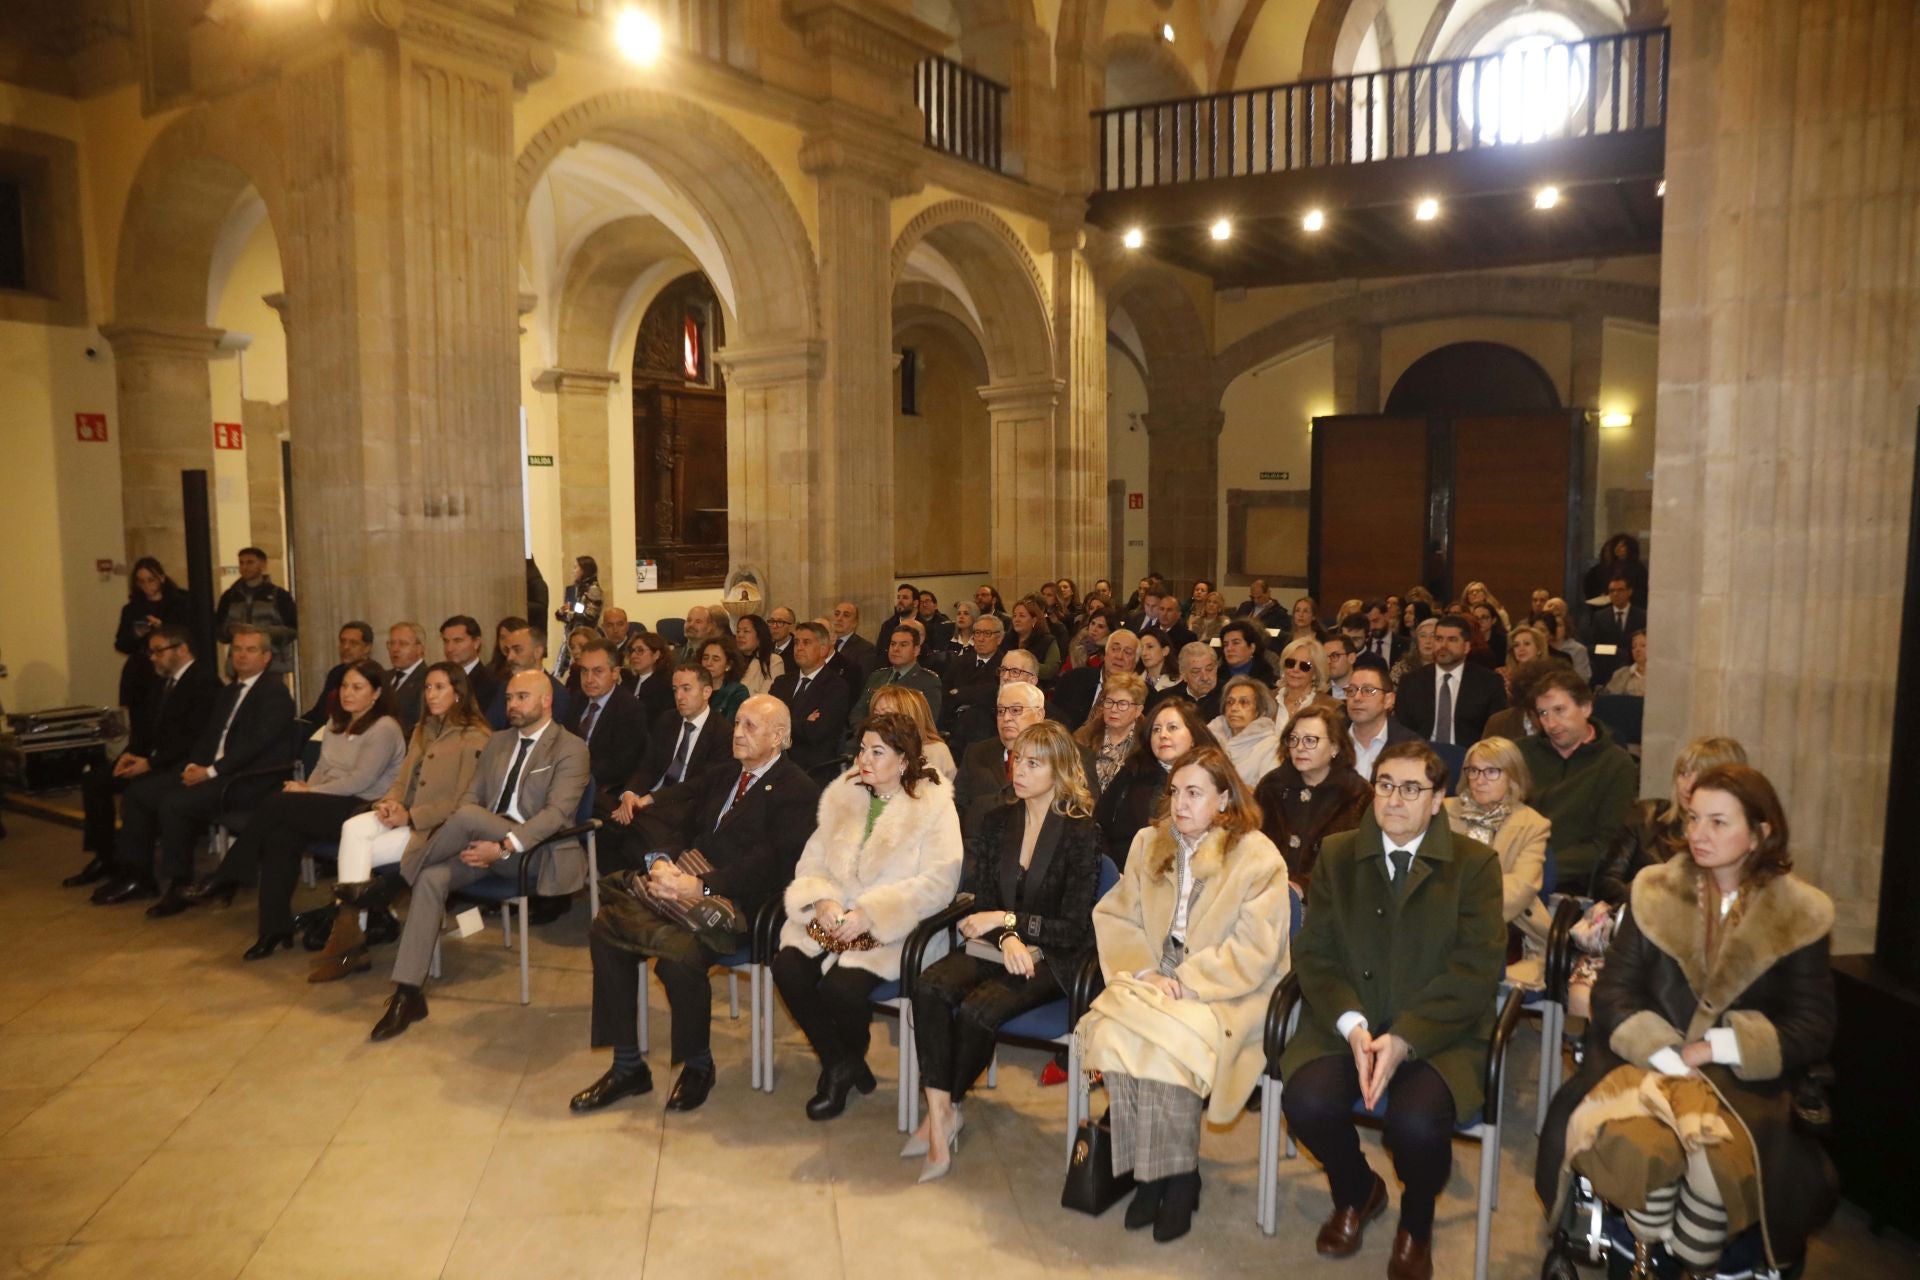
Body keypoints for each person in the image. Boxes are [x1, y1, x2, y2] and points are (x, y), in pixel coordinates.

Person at [1536, 764, 1836, 1275]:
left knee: (1714, 1164)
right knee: (1640, 1147)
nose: (1698, 834)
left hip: (1739, 1081)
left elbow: (1811, 1024)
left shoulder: (1800, 912)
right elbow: (1615, 993)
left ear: (1761, 832)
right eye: (1694, 818)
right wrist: (1664, 1051)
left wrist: (1715, 1048)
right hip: (1645, 1063)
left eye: (1718, 822)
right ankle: (1644, 1257)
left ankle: (1689, 1262)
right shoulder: (1655, 890)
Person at [1280, 741, 1506, 1280]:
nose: (1395, 800)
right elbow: (1315, 952)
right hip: (1349, 1022)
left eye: (1411, 789)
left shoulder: (1475, 866)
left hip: (1438, 1031)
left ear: (1437, 801)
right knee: (1306, 1101)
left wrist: (1405, 1036)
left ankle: (1417, 1223)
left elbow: (1476, 970)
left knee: (1416, 1124)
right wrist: (1353, 1026)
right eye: (1385, 785)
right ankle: (1357, 1191)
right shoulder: (1338, 854)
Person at [1077, 746, 1290, 1243]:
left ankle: (1175, 1177)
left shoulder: (1257, 856)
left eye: (1195, 793)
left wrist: (1189, 981)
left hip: (1227, 989)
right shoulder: (1149, 843)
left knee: (1172, 1046)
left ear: (1224, 799)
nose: (1180, 803)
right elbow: (1115, 916)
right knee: (1115, 1035)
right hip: (1154, 977)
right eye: (1175, 791)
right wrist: (1146, 972)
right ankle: (1153, 1172)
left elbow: (1256, 951)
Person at [572, 695, 821, 1113]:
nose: (737, 734)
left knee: (679, 958)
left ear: (778, 737)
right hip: (688, 883)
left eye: (749, 727)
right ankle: (627, 1065)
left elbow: (770, 865)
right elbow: (679, 821)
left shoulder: (798, 789)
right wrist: (665, 864)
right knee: (607, 927)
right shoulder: (725, 774)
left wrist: (700, 887)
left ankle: (698, 1065)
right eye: (737, 723)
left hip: (741, 903)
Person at [906, 721, 1104, 1180]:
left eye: (1034, 763)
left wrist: (1011, 924)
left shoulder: (1081, 833)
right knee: (930, 986)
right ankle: (941, 1116)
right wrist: (1008, 934)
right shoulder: (998, 820)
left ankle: (945, 1108)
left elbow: (1074, 927)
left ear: (1059, 770)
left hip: (1056, 957)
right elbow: (985, 898)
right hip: (1000, 945)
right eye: (1018, 758)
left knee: (979, 1010)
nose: (1019, 769)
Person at [369, 670, 593, 1041]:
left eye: (521, 697)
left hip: (534, 852)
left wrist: (503, 846)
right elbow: (471, 795)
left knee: (467, 817)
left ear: (545, 700)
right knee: (431, 878)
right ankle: (408, 993)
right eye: (508, 698)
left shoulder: (570, 748)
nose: (512, 705)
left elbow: (555, 816)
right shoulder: (499, 741)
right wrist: (483, 842)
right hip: (483, 844)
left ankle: (394, 883)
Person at [773, 713, 963, 1121]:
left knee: (840, 989)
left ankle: (841, 1066)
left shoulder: (933, 805)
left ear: (904, 761)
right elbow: (813, 858)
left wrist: (871, 912)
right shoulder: (847, 793)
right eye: (862, 749)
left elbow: (939, 882)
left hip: (897, 929)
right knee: (788, 966)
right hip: (837, 917)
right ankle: (841, 1061)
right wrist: (822, 901)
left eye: (877, 752)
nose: (865, 760)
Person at [189, 658, 407, 957]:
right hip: (328, 802)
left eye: (357, 687)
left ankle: (228, 874)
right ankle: (273, 929)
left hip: (365, 809)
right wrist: (308, 790)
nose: (347, 693)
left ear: (377, 693)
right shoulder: (335, 721)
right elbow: (323, 766)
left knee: (277, 804)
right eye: (344, 685)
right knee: (280, 836)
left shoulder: (384, 727)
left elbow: (360, 780)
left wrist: (309, 791)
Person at [307, 661, 492, 982]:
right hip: (406, 817)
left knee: (357, 855)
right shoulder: (422, 729)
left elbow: (464, 801)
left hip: (439, 829)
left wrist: (412, 815)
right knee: (353, 828)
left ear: (458, 693)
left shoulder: (475, 737)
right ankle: (353, 934)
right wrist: (389, 803)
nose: (431, 695)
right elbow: (402, 778)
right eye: (427, 688)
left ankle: (351, 941)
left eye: (439, 688)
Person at [92, 626, 297, 910]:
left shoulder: (275, 692)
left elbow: (253, 747)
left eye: (250, 650)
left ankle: (180, 884)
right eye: (236, 649)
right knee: (139, 794)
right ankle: (138, 876)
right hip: (214, 771)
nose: (241, 655)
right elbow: (208, 737)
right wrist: (193, 765)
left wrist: (209, 772)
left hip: (246, 780)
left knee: (176, 803)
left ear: (266, 657)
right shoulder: (229, 691)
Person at [1570, 737, 1749, 1019]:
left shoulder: (1739, 843)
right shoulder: (1646, 817)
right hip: (1634, 939)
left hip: (1705, 958)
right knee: (1584, 996)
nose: (1688, 784)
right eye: (1683, 773)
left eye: (1701, 774)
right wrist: (1656, 892)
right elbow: (1605, 882)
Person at [71, 624, 219, 888]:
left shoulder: (204, 682)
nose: (152, 658)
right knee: (95, 781)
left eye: (158, 651)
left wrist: (149, 764)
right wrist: (131, 754)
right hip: (155, 759)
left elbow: (193, 740)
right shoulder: (163, 681)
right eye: (151, 652)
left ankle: (138, 873)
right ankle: (105, 856)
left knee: (138, 792)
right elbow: (149, 728)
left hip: (182, 764)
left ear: (182, 649)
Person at [1445, 736, 1552, 987]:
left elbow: (1521, 886)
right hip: (1439, 921)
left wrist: (1465, 908)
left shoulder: (1533, 824)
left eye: (1491, 771)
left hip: (1501, 924)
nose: (1480, 780)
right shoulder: (1441, 811)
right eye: (1473, 770)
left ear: (1512, 776)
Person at [1519, 670, 1637, 893]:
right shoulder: (1521, 753)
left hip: (1571, 882)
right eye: (1543, 713)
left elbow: (1606, 845)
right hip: (1514, 870)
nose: (1551, 724)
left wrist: (1541, 868)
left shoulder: (1615, 764)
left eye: (1560, 710)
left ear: (1586, 708)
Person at [606, 666, 735, 857]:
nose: (679, 696)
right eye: (675, 690)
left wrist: (651, 799)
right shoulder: (667, 720)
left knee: (630, 829)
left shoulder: (722, 733)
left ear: (707, 692)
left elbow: (700, 783)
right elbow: (647, 766)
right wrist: (630, 793)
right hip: (651, 798)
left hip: (685, 804)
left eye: (686, 688)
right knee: (604, 813)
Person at [1254, 700, 1370, 895]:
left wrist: (1304, 886)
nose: (1300, 747)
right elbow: (1251, 846)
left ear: (1334, 747)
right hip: (1266, 893)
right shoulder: (1271, 786)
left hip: (1328, 899)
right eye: (1294, 739)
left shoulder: (1356, 794)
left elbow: (1354, 864)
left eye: (1310, 740)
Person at [1092, 698, 1222, 865]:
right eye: (1156, 730)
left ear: (1194, 736)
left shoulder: (1214, 778)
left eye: (1172, 728)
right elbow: (1098, 824)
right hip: (1125, 872)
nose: (1163, 735)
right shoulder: (1133, 770)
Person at [560, 639, 650, 813]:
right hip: (566, 780)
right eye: (584, 671)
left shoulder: (630, 708)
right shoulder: (577, 700)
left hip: (599, 789)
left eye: (598, 671)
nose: (589, 679)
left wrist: (573, 775)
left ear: (615, 673)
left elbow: (619, 765)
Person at [1395, 616, 1507, 746]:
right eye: (1438, 639)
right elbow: (1402, 731)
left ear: (1466, 647)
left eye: (1452, 640)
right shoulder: (1410, 682)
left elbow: (1495, 734)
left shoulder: (1489, 682)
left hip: (1469, 758)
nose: (1443, 646)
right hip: (1421, 757)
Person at [954, 682, 1047, 838]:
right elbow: (957, 808)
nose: (1006, 718)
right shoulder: (976, 753)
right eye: (1001, 711)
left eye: (1016, 710)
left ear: (1039, 715)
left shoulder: (1060, 757)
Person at [114, 557, 194, 730]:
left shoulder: (180, 603)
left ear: (161, 578)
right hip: (141, 671)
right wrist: (136, 633)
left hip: (169, 667)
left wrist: (162, 628)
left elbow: (189, 634)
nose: (147, 586)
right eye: (141, 581)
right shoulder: (132, 608)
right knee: (142, 722)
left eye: (151, 580)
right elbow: (121, 644)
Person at [771, 620, 852, 770]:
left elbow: (815, 732)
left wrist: (783, 722)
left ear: (823, 650)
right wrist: (803, 721)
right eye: (796, 642)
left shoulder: (836, 686)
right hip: (776, 761)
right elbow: (767, 721)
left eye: (806, 643)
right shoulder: (782, 682)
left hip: (813, 768)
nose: (799, 648)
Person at [214, 547, 298, 675]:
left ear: (263, 565)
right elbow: (218, 630)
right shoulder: (230, 596)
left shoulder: (278, 595)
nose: (245, 567)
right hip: (239, 664)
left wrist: (261, 632)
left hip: (271, 664)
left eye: (250, 562)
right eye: (241, 563)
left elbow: (293, 629)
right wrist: (232, 630)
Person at [484, 618, 572, 730]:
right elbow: (489, 727)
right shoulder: (505, 687)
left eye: (517, 650)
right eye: (508, 651)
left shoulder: (557, 693)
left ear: (537, 653)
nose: (510, 657)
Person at [851, 622, 944, 726]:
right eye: (893, 644)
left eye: (903, 645)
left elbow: (926, 723)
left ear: (916, 650)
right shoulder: (877, 677)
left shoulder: (928, 682)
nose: (896, 649)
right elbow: (857, 714)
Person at [1345, 656, 1422, 779]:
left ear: (1388, 700)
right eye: (1351, 690)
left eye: (1368, 690)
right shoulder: (1331, 737)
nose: (1357, 697)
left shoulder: (1409, 745)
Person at [1073, 670, 1147, 794]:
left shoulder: (1147, 744)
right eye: (1109, 702)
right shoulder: (1083, 737)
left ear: (1138, 710)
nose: (1113, 709)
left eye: (1122, 704)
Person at [1053, 629, 1139, 729]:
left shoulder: (1142, 696)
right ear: (1105, 654)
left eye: (1128, 652)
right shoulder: (1073, 679)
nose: (1119, 656)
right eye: (1115, 649)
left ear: (1135, 662)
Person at [1208, 675, 1284, 788]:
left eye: (1244, 702)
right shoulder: (1211, 736)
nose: (1234, 708)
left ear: (1259, 711)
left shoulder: (1270, 745)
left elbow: (1267, 793)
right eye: (1230, 702)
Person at [301, 622, 380, 729]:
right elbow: (320, 711)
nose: (346, 647)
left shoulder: (374, 674)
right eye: (343, 642)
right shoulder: (336, 672)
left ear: (367, 648)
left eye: (353, 643)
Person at [869, 685, 955, 783]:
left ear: (910, 717)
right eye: (876, 714)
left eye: (887, 714)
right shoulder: (869, 747)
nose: (877, 721)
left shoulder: (935, 751)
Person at [1586, 577, 1648, 688]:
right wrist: (1615, 651)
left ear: (1629, 592)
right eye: (1612, 591)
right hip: (1605, 667)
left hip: (1632, 667)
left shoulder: (1642, 616)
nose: (1615, 594)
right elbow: (1593, 645)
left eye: (1620, 590)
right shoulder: (1600, 617)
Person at [1151, 641, 1223, 722]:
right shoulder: (1166, 698)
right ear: (1183, 675)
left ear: (1216, 668)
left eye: (1209, 669)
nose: (1205, 677)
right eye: (1196, 672)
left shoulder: (1229, 694)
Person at [441, 615, 496, 710]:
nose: (449, 649)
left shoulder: (490, 683)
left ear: (476, 643)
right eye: (446, 641)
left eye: (457, 641)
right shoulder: (441, 678)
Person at [383, 621, 428, 735]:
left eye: (402, 644)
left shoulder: (428, 678)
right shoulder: (384, 677)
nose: (395, 649)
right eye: (391, 643)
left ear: (420, 648)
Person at [1582, 532, 1648, 608]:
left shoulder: (1638, 568)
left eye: (1622, 546)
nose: (1618, 548)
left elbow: (1641, 591)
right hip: (1608, 608)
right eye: (1616, 545)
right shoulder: (1608, 567)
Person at [621, 629, 674, 724]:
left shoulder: (666, 686)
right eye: (632, 651)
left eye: (640, 651)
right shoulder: (627, 683)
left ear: (656, 655)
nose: (633, 655)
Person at [825, 601, 879, 693]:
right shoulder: (824, 644)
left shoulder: (865, 649)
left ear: (855, 623)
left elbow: (863, 683)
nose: (839, 618)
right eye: (837, 614)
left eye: (846, 615)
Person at [1007, 597, 1062, 681]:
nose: (1016, 620)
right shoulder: (1006, 640)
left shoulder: (1047, 641)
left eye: (1022, 616)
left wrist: (1023, 663)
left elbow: (1050, 670)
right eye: (1014, 616)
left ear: (1034, 620)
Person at [1275, 636, 1328, 723]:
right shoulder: (1267, 700)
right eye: (1290, 663)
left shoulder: (1329, 707)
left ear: (1315, 673)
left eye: (1304, 666)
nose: (1295, 669)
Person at [697, 635, 750, 719]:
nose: (708, 663)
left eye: (716, 659)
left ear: (728, 665)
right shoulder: (694, 688)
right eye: (705, 658)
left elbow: (730, 726)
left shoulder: (737, 692)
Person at [555, 554, 605, 641]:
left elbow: (590, 616)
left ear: (584, 570)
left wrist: (572, 610)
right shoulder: (576, 589)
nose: (573, 571)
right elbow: (571, 616)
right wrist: (562, 612)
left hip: (587, 636)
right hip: (572, 634)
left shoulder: (594, 590)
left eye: (576, 567)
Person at [1541, 602, 1593, 681]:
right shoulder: (1541, 648)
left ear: (1566, 628)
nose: (1554, 629)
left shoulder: (1578, 650)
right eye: (1552, 625)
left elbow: (1583, 678)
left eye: (1558, 625)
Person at [1217, 619, 1275, 687]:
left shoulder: (1265, 675)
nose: (1229, 648)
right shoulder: (1216, 676)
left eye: (1236, 643)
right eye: (1226, 644)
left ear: (1252, 647)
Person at [1389, 617, 1437, 691]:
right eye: (1423, 636)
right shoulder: (1402, 668)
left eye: (1433, 636)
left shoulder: (1447, 666)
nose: (1428, 641)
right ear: (1416, 641)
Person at [873, 583, 920, 650]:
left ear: (915, 603)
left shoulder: (927, 627)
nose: (900, 601)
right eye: (898, 597)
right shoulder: (887, 626)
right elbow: (880, 652)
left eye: (905, 598)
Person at [1603, 629, 1648, 697]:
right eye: (1634, 647)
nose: (1637, 649)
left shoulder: (1663, 674)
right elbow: (1608, 698)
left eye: (1643, 645)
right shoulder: (1622, 673)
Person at [913, 589, 953, 656]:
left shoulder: (944, 622)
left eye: (927, 601)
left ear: (935, 605)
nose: (924, 605)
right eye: (921, 602)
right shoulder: (913, 623)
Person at [1467, 602, 1507, 668]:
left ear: (1493, 620)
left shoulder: (1502, 641)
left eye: (1484, 617)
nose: (1480, 621)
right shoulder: (1469, 641)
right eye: (1476, 618)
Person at [1322, 633, 1355, 702]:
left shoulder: (1365, 690)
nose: (1328, 661)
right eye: (1325, 657)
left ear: (1351, 658)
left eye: (1334, 655)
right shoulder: (1319, 694)